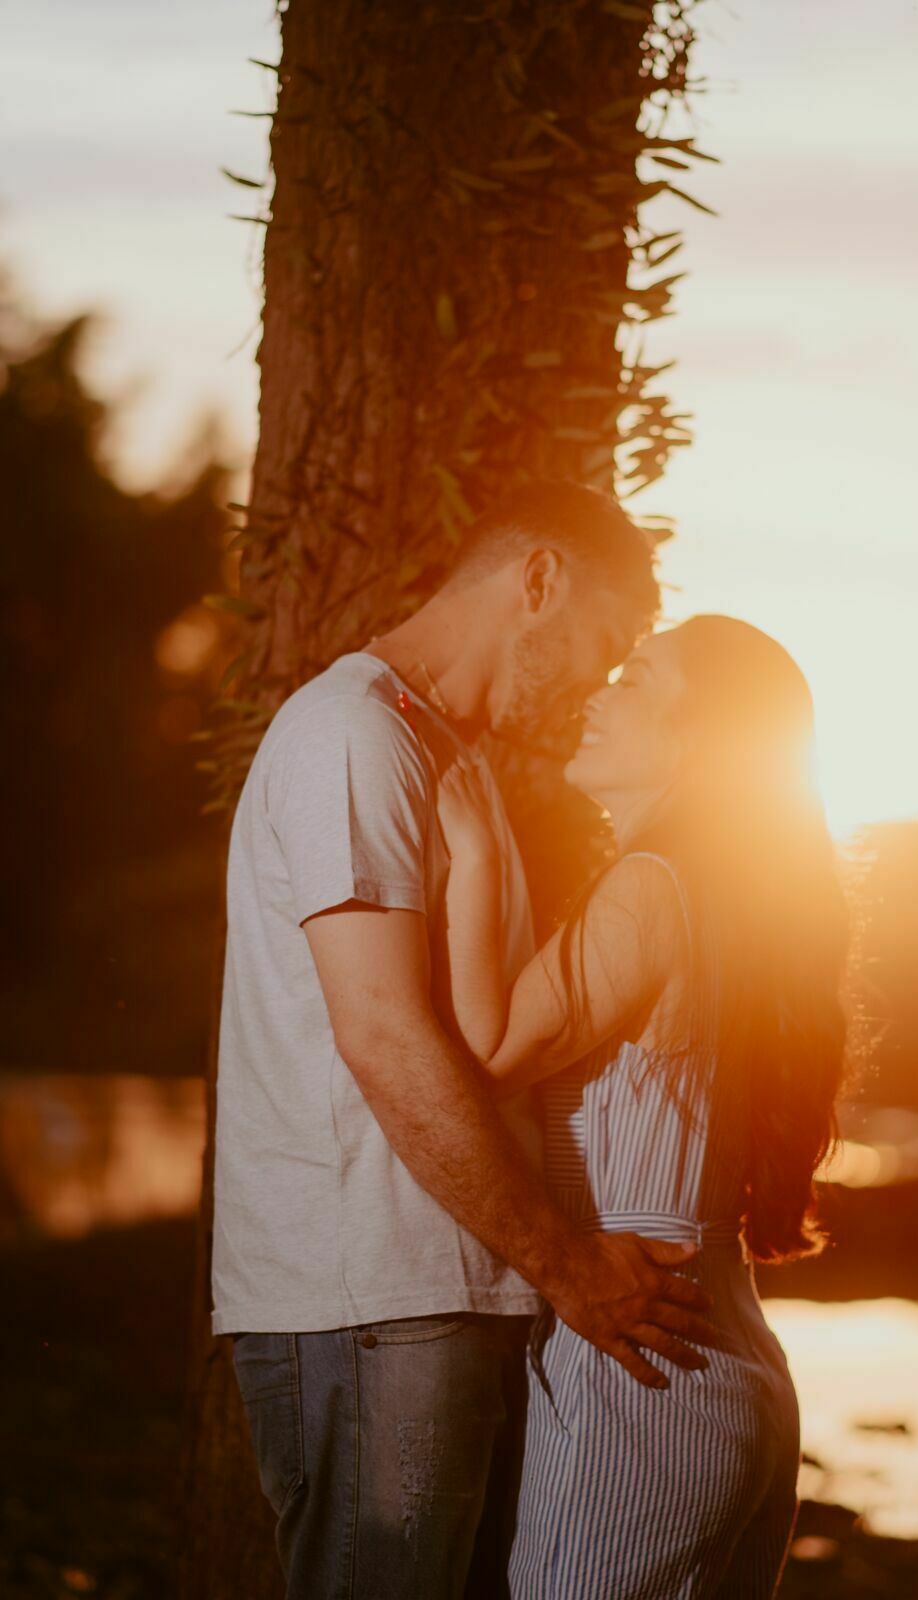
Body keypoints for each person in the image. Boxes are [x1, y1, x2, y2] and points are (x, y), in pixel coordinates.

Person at [211, 481, 720, 1599]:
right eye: (607, 639)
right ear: (536, 581)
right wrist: (571, 1263)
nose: (599, 673)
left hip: (442, 1298)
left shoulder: (448, 759)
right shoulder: (353, 732)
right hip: (372, 1304)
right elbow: (385, 1035)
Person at [437, 614, 852, 1598]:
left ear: (696, 737)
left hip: (642, 1363)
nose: (600, 692)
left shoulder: (650, 886)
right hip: (727, 1353)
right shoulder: (724, 898)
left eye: (635, 677)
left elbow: (486, 1051)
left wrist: (475, 848)